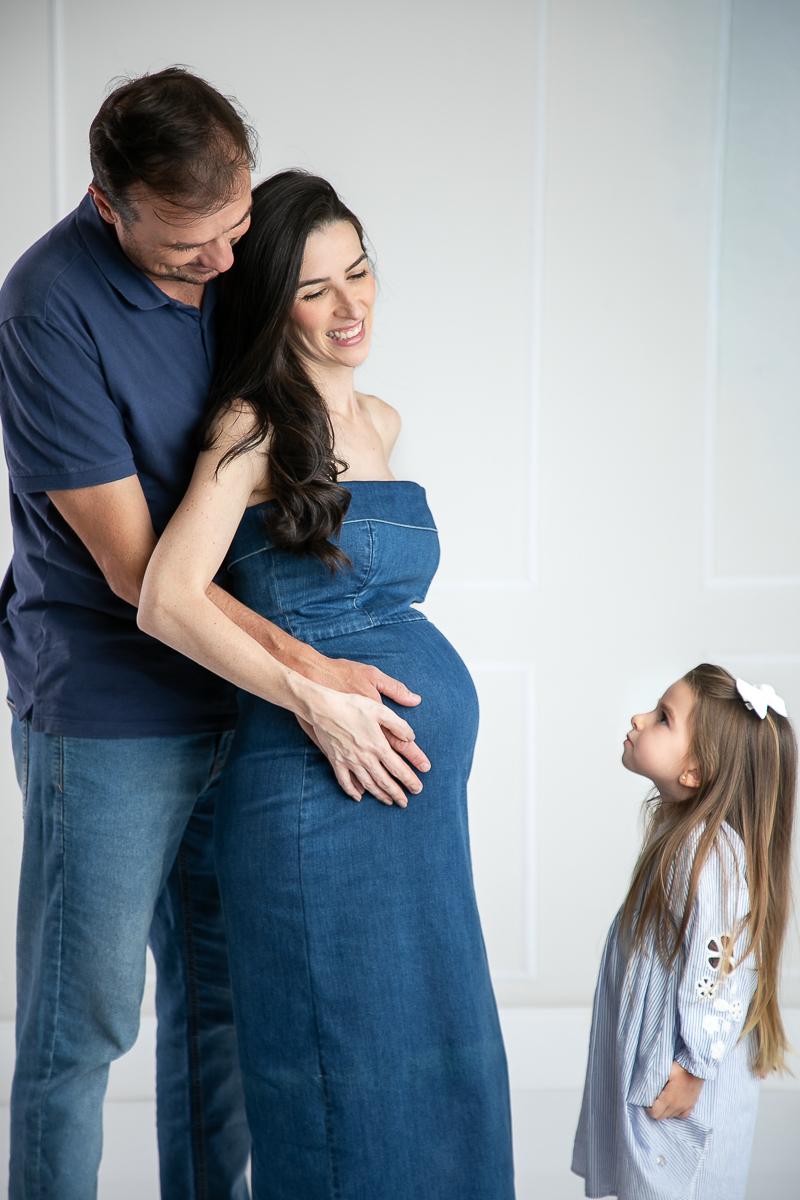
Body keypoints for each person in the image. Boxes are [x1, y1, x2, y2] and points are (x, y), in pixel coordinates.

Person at [0, 71, 429, 1200]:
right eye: (191, 246)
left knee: (222, 1009)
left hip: (236, 703)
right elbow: (142, 572)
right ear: (113, 209)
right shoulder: (49, 307)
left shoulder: (231, 266)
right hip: (109, 713)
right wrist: (311, 677)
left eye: (237, 227)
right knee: (80, 1026)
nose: (226, 264)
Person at [138, 170, 515, 1199]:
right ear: (272, 303)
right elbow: (166, 598)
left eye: (359, 273)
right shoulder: (251, 427)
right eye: (315, 289)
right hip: (316, 798)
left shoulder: (383, 421)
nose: (351, 306)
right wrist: (313, 698)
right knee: (338, 1078)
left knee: (439, 1057)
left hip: (419, 826)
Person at [571, 664, 797, 1200]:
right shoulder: (688, 839)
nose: (639, 717)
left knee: (682, 1183)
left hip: (682, 1073)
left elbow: (725, 967)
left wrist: (694, 1065)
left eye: (663, 718)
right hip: (674, 1057)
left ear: (695, 770)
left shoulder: (707, 856)